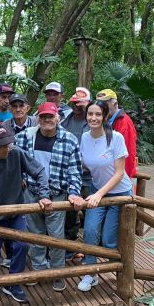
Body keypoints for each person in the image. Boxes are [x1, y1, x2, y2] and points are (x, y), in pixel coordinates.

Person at [0, 122, 52, 304]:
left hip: (15, 210)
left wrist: (44, 195)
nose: (8, 148)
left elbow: (39, 171)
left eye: (10, 143)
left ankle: (14, 283)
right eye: (4, 145)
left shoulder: (16, 152)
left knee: (21, 245)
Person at [15, 102, 85, 292]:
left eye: (50, 116)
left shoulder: (69, 140)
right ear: (37, 118)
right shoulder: (24, 137)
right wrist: (19, 178)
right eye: (43, 116)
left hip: (57, 194)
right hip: (31, 192)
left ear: (58, 118)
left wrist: (73, 192)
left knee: (55, 235)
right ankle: (38, 270)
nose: (47, 120)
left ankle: (57, 272)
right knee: (35, 234)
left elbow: (75, 171)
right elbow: (13, 160)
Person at [77, 100, 134, 292]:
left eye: (98, 114)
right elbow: (82, 166)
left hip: (119, 193)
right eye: (90, 114)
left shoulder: (115, 138)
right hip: (97, 190)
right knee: (90, 231)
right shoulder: (84, 137)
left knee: (109, 239)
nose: (93, 118)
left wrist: (99, 194)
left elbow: (119, 173)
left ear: (105, 116)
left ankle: (119, 270)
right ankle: (90, 273)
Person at [61, 87, 92, 257]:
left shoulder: (93, 121)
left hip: (88, 176)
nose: (77, 107)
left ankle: (91, 248)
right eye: (74, 104)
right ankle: (70, 246)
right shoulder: (65, 120)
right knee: (70, 211)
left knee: (90, 211)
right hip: (69, 173)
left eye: (81, 104)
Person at [95, 89, 138, 179]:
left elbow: (127, 153)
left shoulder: (124, 122)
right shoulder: (106, 120)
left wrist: (122, 178)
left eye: (105, 104)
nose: (102, 107)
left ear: (114, 104)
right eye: (100, 104)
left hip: (119, 177)